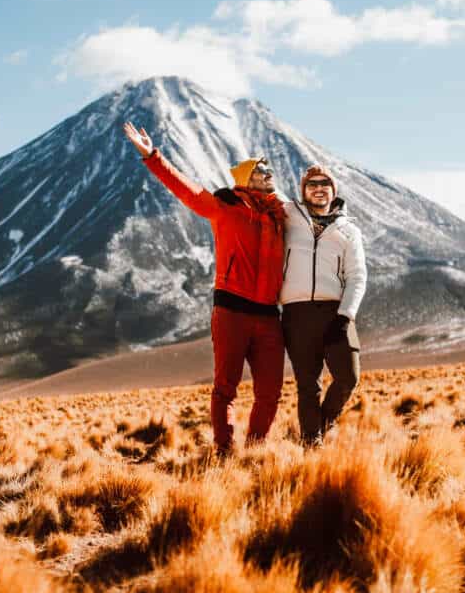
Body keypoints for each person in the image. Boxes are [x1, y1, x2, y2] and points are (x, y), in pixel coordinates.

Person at [123, 121, 286, 453]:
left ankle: (255, 451)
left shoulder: (279, 216)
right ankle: (225, 451)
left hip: (269, 316)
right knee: (225, 388)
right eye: (262, 170)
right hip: (231, 312)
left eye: (269, 170)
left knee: (270, 391)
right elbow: (186, 190)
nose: (270, 174)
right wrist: (153, 156)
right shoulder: (223, 208)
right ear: (246, 178)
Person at [280, 163, 367, 445]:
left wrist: (345, 316)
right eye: (312, 184)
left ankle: (319, 426)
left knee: (348, 378)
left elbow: (357, 276)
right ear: (303, 191)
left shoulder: (349, 230)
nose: (318, 189)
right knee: (308, 386)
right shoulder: (287, 214)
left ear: (333, 191)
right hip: (297, 313)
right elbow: (258, 194)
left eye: (324, 184)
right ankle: (311, 443)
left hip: (336, 313)